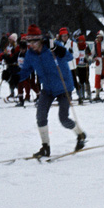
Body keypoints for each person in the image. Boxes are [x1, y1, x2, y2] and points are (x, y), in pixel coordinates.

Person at [19, 24, 87, 157]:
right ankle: (45, 147)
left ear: (40, 40)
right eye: (29, 42)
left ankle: (80, 135)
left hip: (63, 86)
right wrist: (14, 76)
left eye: (34, 41)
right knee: (40, 116)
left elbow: (69, 57)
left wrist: (60, 50)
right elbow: (26, 70)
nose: (31, 45)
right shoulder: (30, 54)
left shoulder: (52, 46)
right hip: (48, 89)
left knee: (63, 118)